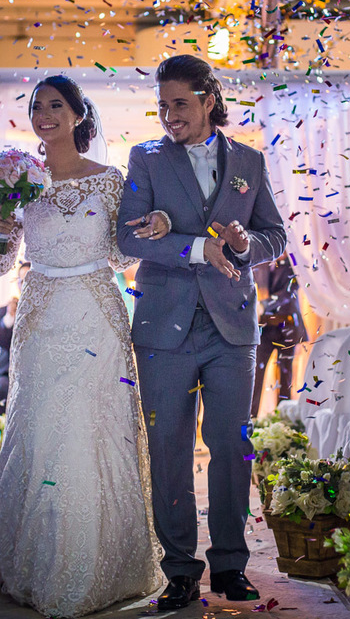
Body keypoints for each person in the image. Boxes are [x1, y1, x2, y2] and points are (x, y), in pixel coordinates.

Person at [0, 75, 161, 617]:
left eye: (56, 105)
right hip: (39, 317)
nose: (45, 114)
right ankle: (40, 562)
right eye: (37, 106)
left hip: (95, 313)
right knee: (41, 427)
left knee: (91, 426)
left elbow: (122, 256)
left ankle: (94, 565)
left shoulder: (111, 181)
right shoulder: (18, 181)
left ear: (79, 114)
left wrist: (153, 225)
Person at [117, 54, 288, 607]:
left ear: (209, 100)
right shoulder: (145, 159)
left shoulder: (250, 161)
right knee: (168, 449)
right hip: (162, 325)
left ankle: (231, 565)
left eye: (181, 104)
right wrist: (195, 247)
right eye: (163, 106)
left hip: (231, 326)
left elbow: (275, 237)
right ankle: (181, 570)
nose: (170, 116)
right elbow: (128, 238)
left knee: (231, 447)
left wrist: (243, 246)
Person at [251, 255, 306, 417]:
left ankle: (283, 421)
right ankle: (250, 420)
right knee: (256, 375)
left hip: (287, 328)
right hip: (266, 329)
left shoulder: (295, 264)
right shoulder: (260, 263)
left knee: (285, 378)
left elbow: (288, 293)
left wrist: (264, 305)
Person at [0, 261, 29, 416]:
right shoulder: (5, 310)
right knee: (2, 388)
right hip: (7, 372)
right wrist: (10, 317)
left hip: (34, 371)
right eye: (22, 280)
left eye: (29, 280)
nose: (25, 285)